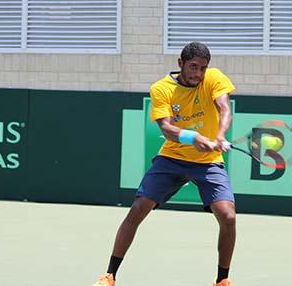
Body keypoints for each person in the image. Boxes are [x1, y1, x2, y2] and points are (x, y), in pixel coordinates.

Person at [93, 42, 236, 286]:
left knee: (228, 216)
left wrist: (220, 135)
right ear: (180, 63)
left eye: (202, 68)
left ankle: (222, 281)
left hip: (208, 161)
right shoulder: (161, 88)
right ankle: (110, 275)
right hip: (172, 158)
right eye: (193, 67)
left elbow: (224, 108)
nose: (198, 73)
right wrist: (194, 137)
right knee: (138, 208)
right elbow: (167, 129)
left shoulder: (213, 78)